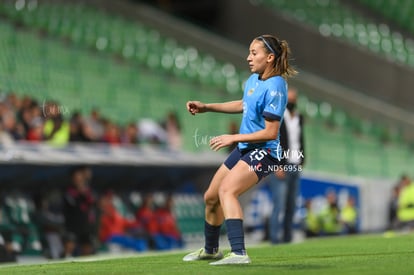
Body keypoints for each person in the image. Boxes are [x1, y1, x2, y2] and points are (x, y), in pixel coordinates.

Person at [182, 34, 297, 265]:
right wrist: (207, 107)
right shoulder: (255, 79)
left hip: (265, 152)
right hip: (246, 148)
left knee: (227, 190)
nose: (248, 58)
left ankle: (239, 253)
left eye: (254, 53)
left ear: (270, 57)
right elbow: (244, 104)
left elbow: (270, 133)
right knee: (211, 196)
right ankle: (211, 249)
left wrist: (233, 137)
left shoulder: (277, 86)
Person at [266, 87, 305, 244]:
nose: (292, 101)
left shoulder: (299, 117)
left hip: (295, 164)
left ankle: (288, 238)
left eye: (294, 98)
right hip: (281, 165)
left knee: (291, 205)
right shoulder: (277, 116)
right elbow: (272, 140)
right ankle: (274, 239)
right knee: (279, 204)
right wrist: (277, 165)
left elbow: (300, 140)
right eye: (289, 98)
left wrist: (303, 158)